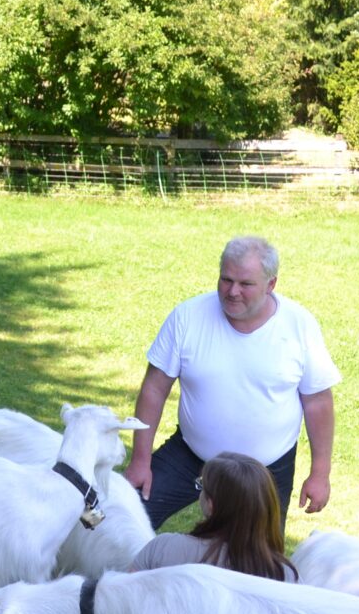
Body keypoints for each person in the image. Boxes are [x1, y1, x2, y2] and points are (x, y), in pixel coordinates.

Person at [123, 235, 339, 532]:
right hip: (190, 456)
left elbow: (318, 403)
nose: (232, 291)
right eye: (226, 279)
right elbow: (154, 388)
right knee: (124, 516)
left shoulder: (299, 325)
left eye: (245, 284)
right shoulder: (187, 317)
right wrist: (140, 460)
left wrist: (320, 473)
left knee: (259, 564)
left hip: (267, 470)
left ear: (271, 284)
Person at [128, 452, 298, 582]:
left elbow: (123, 603)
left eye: (202, 485)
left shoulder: (164, 549)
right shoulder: (285, 576)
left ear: (211, 504)